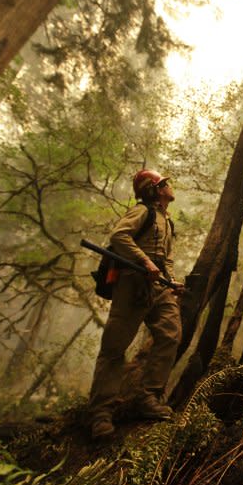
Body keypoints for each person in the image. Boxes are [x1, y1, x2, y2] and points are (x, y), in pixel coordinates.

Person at [88, 169, 184, 439]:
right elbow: (119, 236)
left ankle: (149, 398)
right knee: (115, 347)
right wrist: (145, 261)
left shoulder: (167, 221)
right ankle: (100, 414)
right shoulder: (142, 212)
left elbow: (166, 257)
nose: (169, 186)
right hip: (132, 284)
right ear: (153, 190)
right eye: (164, 183)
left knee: (171, 335)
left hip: (159, 287)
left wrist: (172, 280)